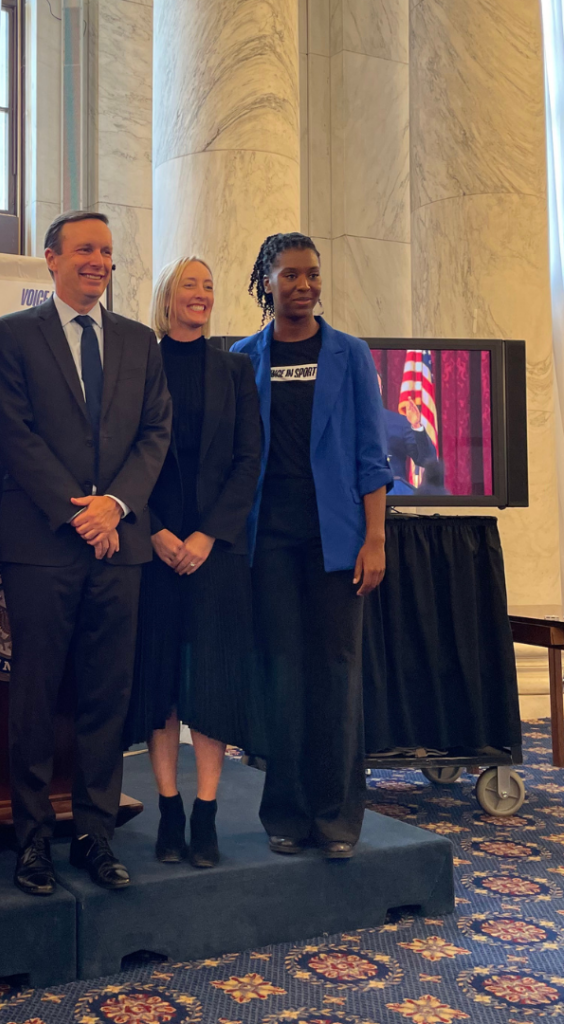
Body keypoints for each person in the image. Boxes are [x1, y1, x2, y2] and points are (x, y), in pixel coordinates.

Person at [0, 210, 171, 895]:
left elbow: (155, 434)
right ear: (51, 258)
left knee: (105, 698)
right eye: (85, 249)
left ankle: (96, 837)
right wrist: (79, 514)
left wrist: (113, 508)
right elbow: (16, 437)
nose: (98, 260)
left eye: (107, 252)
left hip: (119, 550)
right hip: (43, 549)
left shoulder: (137, 343)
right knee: (33, 699)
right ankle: (32, 843)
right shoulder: (12, 337)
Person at [232, 232, 392, 860]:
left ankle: (337, 818)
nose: (304, 286)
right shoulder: (245, 358)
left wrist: (375, 538)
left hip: (338, 544)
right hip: (268, 542)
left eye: (312, 275)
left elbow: (369, 455)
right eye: (291, 275)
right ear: (267, 282)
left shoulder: (350, 355)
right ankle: (287, 814)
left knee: (338, 676)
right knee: (283, 677)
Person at [124, 256, 261, 868]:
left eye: (209, 285)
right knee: (161, 689)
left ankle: (206, 811)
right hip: (152, 552)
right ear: (167, 296)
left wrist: (207, 536)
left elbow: (248, 461)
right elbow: (124, 452)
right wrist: (153, 531)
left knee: (210, 685)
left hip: (215, 555)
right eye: (190, 285)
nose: (201, 294)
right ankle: (169, 808)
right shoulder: (138, 362)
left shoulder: (235, 368)